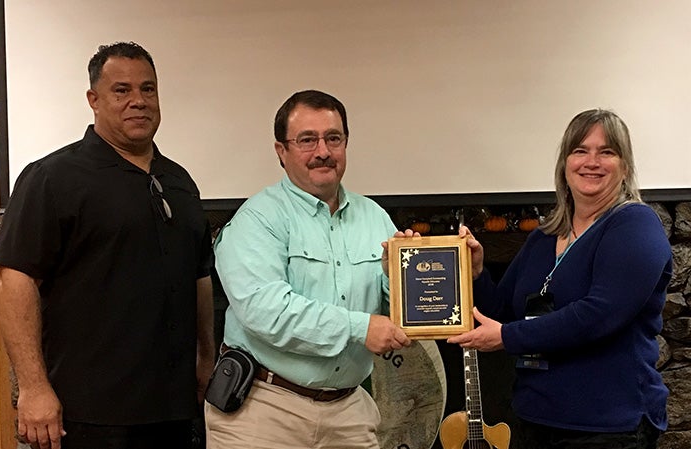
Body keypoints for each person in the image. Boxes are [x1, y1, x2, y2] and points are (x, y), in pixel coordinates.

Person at [0, 41, 215, 449]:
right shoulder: (52, 178)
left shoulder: (180, 182)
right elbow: (15, 281)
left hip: (176, 410)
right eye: (122, 90)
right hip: (88, 416)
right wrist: (33, 388)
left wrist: (205, 357)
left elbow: (199, 275)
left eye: (148, 89)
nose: (138, 101)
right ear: (93, 100)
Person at [448, 109, 673, 449]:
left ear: (625, 166)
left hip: (608, 428)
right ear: (565, 163)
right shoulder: (543, 238)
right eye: (580, 150)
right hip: (535, 419)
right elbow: (500, 310)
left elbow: (597, 316)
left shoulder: (636, 227)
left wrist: (507, 337)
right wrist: (476, 273)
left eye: (607, 152)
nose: (591, 162)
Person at [206, 89, 412, 449]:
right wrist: (359, 327)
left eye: (334, 138)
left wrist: (451, 275)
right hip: (264, 411)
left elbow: (401, 308)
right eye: (307, 140)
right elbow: (266, 311)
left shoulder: (375, 218)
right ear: (281, 152)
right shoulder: (257, 220)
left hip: (348, 413)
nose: (323, 152)